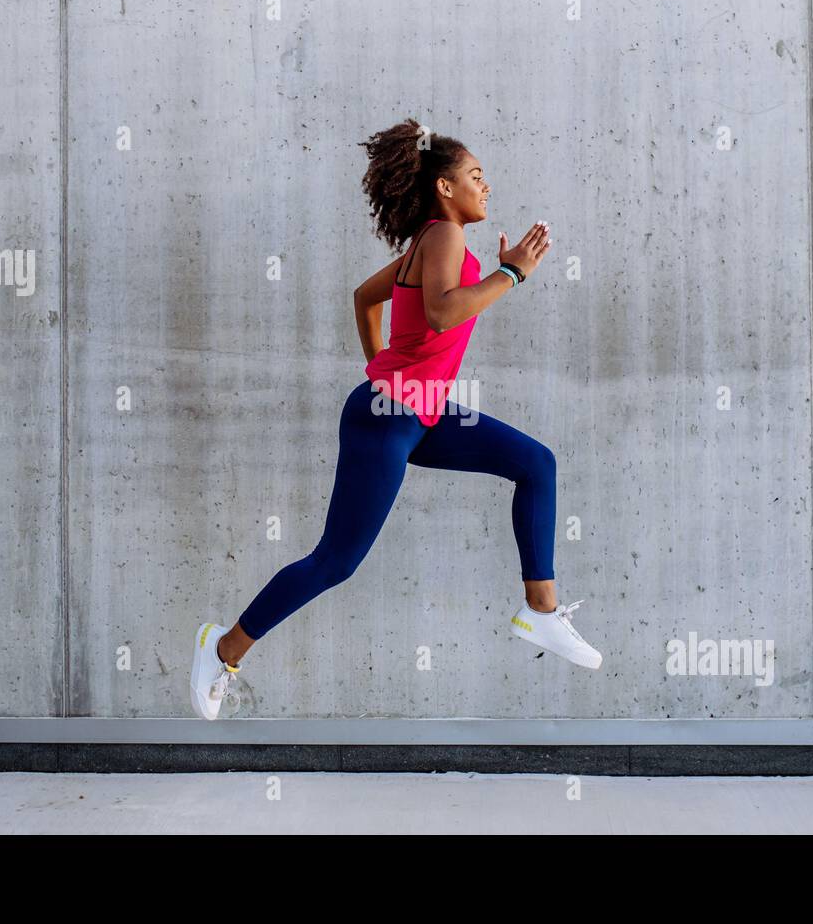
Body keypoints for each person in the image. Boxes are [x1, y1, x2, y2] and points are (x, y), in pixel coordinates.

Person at [191, 119, 602, 720]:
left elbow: (364, 298)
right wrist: (511, 274)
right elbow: (440, 316)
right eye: (476, 177)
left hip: (416, 411)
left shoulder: (430, 242)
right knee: (336, 561)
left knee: (536, 464)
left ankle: (541, 611)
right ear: (444, 186)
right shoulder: (443, 237)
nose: (486, 187)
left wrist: (388, 373)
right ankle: (222, 648)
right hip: (386, 418)